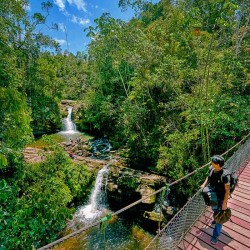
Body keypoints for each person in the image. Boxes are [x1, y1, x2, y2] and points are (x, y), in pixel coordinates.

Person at [201, 155, 230, 245]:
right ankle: (215, 217)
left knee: (220, 218)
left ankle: (215, 236)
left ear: (217, 164)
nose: (211, 163)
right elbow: (208, 177)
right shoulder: (212, 169)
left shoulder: (224, 176)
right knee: (215, 209)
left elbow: (227, 190)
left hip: (221, 198)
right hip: (213, 195)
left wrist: (224, 203)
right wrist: (203, 184)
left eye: (212, 162)